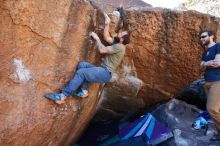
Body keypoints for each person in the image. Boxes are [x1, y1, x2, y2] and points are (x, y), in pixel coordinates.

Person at [45, 8, 130, 104]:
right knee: (82, 65)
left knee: (81, 73)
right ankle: (84, 91)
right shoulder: (117, 43)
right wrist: (107, 23)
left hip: (105, 72)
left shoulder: (120, 47)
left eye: (122, 33)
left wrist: (97, 38)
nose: (119, 32)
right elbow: (106, 37)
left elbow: (102, 50)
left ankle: (62, 96)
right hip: (102, 70)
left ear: (122, 39)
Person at [199, 30, 220, 141]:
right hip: (207, 83)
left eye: (203, 36)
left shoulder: (218, 46)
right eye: (200, 37)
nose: (201, 39)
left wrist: (206, 63)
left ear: (211, 36)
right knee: (217, 109)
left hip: (217, 82)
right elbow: (200, 65)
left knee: (212, 109)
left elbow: (217, 63)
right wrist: (208, 63)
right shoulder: (205, 52)